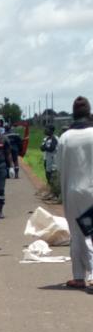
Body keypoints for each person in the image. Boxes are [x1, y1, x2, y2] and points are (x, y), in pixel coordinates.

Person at [58, 96, 93, 290]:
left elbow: (59, 166)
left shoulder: (65, 137)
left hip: (73, 191)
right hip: (92, 190)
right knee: (92, 232)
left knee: (77, 233)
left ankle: (79, 276)